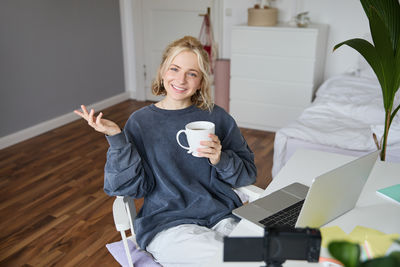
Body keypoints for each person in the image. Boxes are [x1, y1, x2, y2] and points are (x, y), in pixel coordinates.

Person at [74, 36, 257, 267]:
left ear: (201, 82)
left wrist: (220, 158)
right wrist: (116, 138)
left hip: (221, 216)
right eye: (175, 68)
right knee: (231, 259)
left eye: (192, 73)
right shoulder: (140, 122)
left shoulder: (217, 117)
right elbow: (122, 188)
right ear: (162, 71)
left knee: (264, 254)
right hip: (168, 224)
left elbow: (248, 174)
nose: (181, 79)